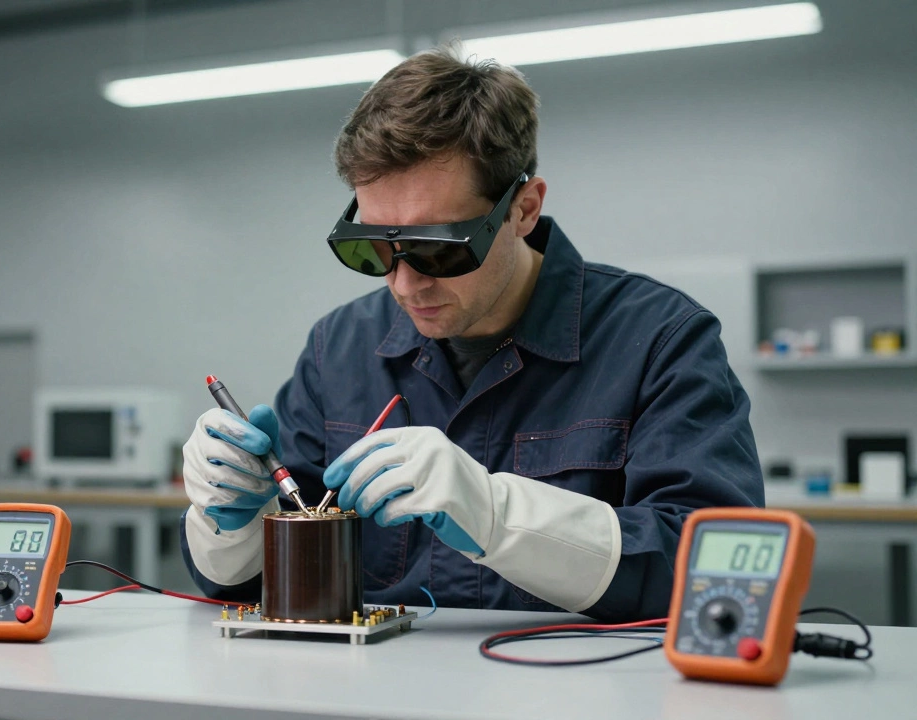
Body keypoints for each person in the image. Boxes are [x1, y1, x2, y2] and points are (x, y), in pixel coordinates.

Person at [179, 47, 763, 622]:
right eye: (373, 249)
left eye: (437, 249)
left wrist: (498, 514)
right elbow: (256, 585)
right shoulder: (340, 346)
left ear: (523, 210)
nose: (405, 285)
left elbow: (722, 576)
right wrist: (228, 522)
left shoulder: (659, 338)